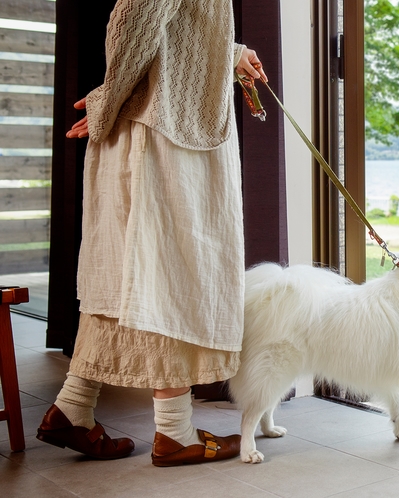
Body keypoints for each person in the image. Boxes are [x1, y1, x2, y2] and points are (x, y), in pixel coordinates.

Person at [36, 0, 267, 466]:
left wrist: (231, 51)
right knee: (166, 275)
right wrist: (106, 102)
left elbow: (174, 26)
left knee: (130, 277)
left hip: (163, 128)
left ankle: (73, 408)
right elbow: (134, 20)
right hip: (166, 137)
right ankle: (174, 432)